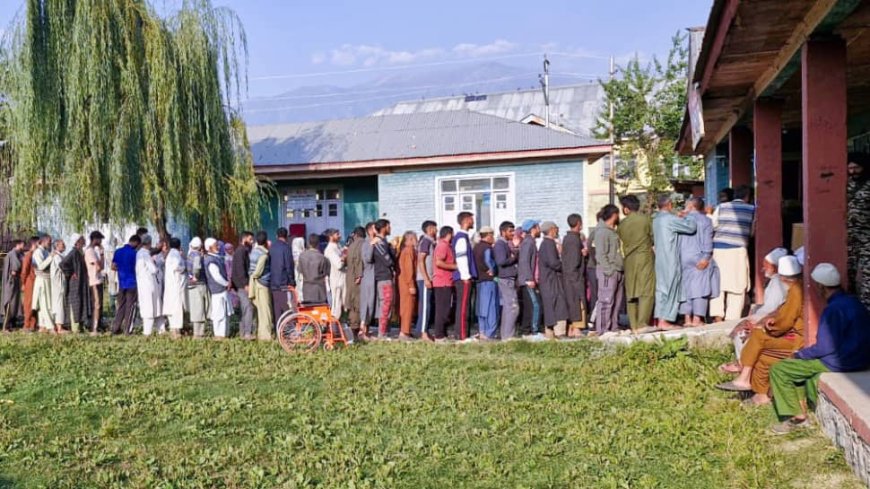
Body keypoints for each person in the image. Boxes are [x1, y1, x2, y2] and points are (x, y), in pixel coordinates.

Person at [769, 263, 870, 434]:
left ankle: (796, 417)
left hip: (842, 361)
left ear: (821, 287)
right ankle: (801, 408)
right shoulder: (853, 302)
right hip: (861, 359)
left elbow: (825, 347)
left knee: (780, 369)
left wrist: (799, 354)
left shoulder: (833, 310)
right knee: (801, 371)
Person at [716, 255, 803, 405]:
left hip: (797, 339)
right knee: (763, 356)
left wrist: (769, 328)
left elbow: (786, 321)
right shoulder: (796, 288)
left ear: (782, 277)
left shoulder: (796, 289)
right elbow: (783, 312)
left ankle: (743, 373)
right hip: (793, 335)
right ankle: (761, 394)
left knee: (757, 336)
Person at [721, 247, 790, 372]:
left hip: (774, 320)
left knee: (742, 332)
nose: (764, 269)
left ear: (775, 267)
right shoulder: (777, 281)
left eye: (767, 266)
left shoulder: (778, 283)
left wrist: (754, 320)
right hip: (770, 316)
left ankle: (744, 365)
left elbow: (771, 308)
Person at [710, 184, 756, 321]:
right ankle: (732, 318)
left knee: (718, 283)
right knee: (737, 285)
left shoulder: (721, 207)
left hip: (718, 249)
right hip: (738, 250)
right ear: (748, 197)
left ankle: (717, 315)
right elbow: (753, 232)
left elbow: (713, 226)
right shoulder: (752, 209)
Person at [678, 197, 719, 327]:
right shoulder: (705, 220)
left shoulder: (681, 220)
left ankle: (687, 319)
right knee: (700, 288)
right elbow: (707, 240)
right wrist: (706, 257)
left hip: (683, 257)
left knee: (686, 288)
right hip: (699, 256)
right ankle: (697, 319)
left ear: (690, 206)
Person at [617, 195, 655, 332]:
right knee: (646, 291)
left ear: (626, 209)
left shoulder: (621, 225)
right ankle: (642, 323)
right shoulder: (646, 220)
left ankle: (633, 325)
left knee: (631, 293)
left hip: (628, 260)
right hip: (644, 257)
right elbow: (653, 237)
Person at [594, 205, 623, 336]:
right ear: (614, 215)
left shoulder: (611, 231)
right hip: (609, 271)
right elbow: (600, 254)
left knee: (616, 302)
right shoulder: (602, 232)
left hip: (618, 270)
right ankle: (603, 329)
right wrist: (609, 270)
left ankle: (613, 326)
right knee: (606, 300)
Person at [846, 152, 870, 309]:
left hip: (867, 237)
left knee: (867, 276)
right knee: (848, 273)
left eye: (857, 167)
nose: (853, 171)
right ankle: (851, 306)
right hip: (849, 237)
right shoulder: (846, 184)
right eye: (850, 168)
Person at [538, 221, 569, 337]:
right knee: (559, 305)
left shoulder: (543, 243)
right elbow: (553, 263)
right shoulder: (549, 243)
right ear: (551, 230)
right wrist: (563, 264)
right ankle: (560, 332)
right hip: (552, 281)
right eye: (556, 228)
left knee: (549, 307)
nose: (557, 230)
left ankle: (549, 332)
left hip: (547, 281)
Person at [452, 212, 478, 340]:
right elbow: (461, 258)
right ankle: (462, 335)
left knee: (466, 306)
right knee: (463, 307)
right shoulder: (461, 237)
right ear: (466, 220)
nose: (473, 221)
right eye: (471, 219)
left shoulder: (464, 237)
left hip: (464, 277)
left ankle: (464, 334)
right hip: (464, 278)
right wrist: (466, 276)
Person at [561, 214, 587, 337]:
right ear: (578, 223)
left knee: (572, 301)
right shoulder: (574, 240)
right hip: (574, 277)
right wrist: (582, 256)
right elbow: (574, 261)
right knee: (578, 301)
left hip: (569, 276)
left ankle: (571, 328)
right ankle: (577, 328)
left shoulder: (567, 238)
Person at [494, 221, 519, 340]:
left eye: (513, 231)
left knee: (509, 307)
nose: (513, 233)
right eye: (510, 231)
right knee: (512, 307)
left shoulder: (505, 244)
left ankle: (506, 335)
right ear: (503, 232)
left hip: (509, 278)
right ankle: (508, 336)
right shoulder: (500, 244)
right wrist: (513, 257)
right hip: (506, 278)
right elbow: (501, 261)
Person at [518, 219, 543, 339]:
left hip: (529, 279)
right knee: (535, 305)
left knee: (529, 306)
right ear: (533, 229)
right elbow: (524, 261)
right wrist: (529, 278)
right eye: (538, 227)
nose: (540, 229)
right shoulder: (528, 243)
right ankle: (534, 331)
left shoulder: (530, 242)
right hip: (527, 280)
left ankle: (526, 330)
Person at [111, 235, 140, 334]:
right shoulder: (135, 253)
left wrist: (122, 269)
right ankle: (127, 329)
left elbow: (113, 267)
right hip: (132, 282)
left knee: (121, 306)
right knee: (130, 306)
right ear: (136, 243)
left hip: (122, 282)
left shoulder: (118, 251)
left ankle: (115, 327)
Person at [473, 226, 498, 340]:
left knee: (481, 308)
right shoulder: (487, 248)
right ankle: (489, 333)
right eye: (492, 235)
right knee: (491, 307)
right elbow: (488, 260)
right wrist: (492, 269)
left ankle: (482, 330)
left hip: (479, 280)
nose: (493, 237)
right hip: (488, 280)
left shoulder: (476, 247)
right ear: (488, 235)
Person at [432, 226, 456, 341]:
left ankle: (443, 333)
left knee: (446, 309)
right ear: (449, 234)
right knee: (442, 310)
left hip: (447, 282)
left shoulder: (446, 246)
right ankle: (439, 335)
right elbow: (438, 262)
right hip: (442, 282)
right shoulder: (442, 246)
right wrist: (454, 267)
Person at [61, 234, 90, 333]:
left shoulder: (79, 252)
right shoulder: (73, 252)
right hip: (75, 283)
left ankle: (81, 325)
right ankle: (75, 327)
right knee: (75, 303)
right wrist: (71, 273)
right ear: (77, 242)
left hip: (81, 282)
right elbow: (63, 264)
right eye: (82, 239)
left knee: (81, 302)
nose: (84, 240)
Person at [372, 219, 396, 339]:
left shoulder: (384, 242)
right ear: (384, 228)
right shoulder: (378, 243)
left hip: (387, 277)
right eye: (388, 226)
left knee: (388, 304)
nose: (390, 228)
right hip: (383, 277)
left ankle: (385, 331)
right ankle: (382, 333)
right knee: (385, 304)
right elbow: (388, 261)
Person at [203, 238, 230, 339]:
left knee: (224, 313)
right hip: (217, 290)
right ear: (210, 248)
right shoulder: (210, 260)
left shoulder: (216, 258)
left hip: (222, 290)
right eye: (216, 245)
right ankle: (219, 335)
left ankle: (224, 334)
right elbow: (217, 276)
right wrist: (227, 283)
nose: (218, 247)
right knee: (219, 314)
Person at [135, 235, 162, 336]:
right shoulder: (145, 254)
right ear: (149, 243)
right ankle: (148, 332)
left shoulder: (139, 253)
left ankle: (154, 330)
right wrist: (157, 266)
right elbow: (153, 269)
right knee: (150, 308)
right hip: (149, 284)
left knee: (148, 307)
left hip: (143, 284)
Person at [415, 220, 437, 341]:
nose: (436, 230)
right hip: (424, 279)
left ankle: (422, 330)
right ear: (429, 229)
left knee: (427, 305)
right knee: (425, 306)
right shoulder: (426, 241)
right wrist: (426, 278)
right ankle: (423, 333)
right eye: (435, 228)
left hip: (428, 278)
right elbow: (420, 260)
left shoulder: (431, 242)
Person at [249, 231, 273, 341]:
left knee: (260, 311)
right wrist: (254, 276)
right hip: (262, 284)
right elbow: (258, 271)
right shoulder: (263, 254)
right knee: (266, 311)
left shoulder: (253, 251)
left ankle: (260, 334)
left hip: (256, 284)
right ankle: (266, 335)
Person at [232, 231, 255, 339]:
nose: (252, 242)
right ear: (244, 239)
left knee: (244, 308)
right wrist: (246, 284)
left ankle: (242, 332)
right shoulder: (241, 251)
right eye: (250, 239)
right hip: (242, 285)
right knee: (248, 307)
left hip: (240, 284)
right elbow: (240, 269)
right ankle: (247, 333)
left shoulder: (241, 251)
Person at [162, 237, 187, 338]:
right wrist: (184, 268)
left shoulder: (170, 254)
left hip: (171, 284)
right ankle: (176, 330)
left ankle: (174, 328)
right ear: (179, 245)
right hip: (176, 284)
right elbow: (177, 267)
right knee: (176, 307)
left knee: (172, 306)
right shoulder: (175, 254)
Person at [270, 228, 296, 322]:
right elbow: (289, 266)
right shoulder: (286, 248)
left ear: (277, 236)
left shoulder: (272, 247)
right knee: (286, 306)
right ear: (287, 236)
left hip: (273, 281)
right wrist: (292, 281)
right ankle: (288, 329)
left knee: (276, 306)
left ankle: (278, 328)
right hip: (284, 282)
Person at [186, 237, 209, 338]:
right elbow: (197, 267)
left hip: (192, 285)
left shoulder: (190, 254)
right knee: (200, 308)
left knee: (197, 308)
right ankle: (198, 333)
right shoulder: (197, 255)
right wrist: (196, 276)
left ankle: (199, 332)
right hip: (199, 284)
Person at [345, 227, 366, 338]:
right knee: (357, 303)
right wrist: (359, 275)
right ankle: (356, 328)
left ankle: (354, 326)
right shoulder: (362, 244)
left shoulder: (351, 245)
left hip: (350, 277)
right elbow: (358, 260)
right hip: (357, 278)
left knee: (353, 303)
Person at [298, 233, 330, 304]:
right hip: (319, 290)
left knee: (308, 312)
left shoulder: (302, 256)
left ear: (309, 243)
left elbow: (300, 271)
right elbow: (326, 273)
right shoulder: (322, 258)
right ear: (318, 244)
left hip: (306, 289)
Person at [397, 231, 418, 340]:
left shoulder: (406, 250)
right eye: (415, 238)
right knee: (407, 307)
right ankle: (404, 331)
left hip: (404, 282)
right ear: (409, 240)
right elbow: (409, 269)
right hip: (406, 283)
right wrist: (411, 284)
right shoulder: (408, 250)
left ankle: (406, 330)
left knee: (407, 306)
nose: (417, 240)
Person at [32, 235, 54, 333]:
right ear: (44, 241)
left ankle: (42, 325)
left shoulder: (45, 251)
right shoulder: (38, 252)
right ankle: (50, 326)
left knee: (45, 303)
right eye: (49, 241)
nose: (50, 243)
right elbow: (41, 266)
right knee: (44, 303)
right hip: (41, 279)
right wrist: (51, 258)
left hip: (47, 279)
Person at [84, 231, 105, 334]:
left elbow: (102, 266)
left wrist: (102, 254)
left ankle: (98, 326)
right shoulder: (89, 251)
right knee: (96, 304)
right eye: (99, 239)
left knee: (99, 304)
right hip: (94, 281)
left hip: (98, 280)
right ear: (95, 239)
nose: (101, 241)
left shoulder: (94, 251)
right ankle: (94, 328)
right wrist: (100, 262)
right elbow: (98, 267)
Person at [359, 222, 377, 339]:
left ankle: (367, 329)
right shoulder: (366, 243)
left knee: (371, 303)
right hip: (368, 276)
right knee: (367, 303)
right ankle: (362, 331)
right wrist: (372, 244)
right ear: (370, 231)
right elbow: (368, 259)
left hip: (373, 276)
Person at [1, 240, 25, 331]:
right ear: (18, 244)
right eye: (23, 244)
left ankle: (11, 324)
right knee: (9, 303)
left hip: (14, 282)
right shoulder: (13, 254)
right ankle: (5, 326)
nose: (24, 245)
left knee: (14, 303)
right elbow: (17, 266)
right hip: (10, 282)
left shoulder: (17, 253)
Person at [586, 211, 603, 327]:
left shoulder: (595, 232)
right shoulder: (597, 233)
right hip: (595, 267)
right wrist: (599, 263)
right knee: (597, 295)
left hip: (594, 267)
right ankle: (594, 320)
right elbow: (592, 250)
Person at [323, 229, 346, 319]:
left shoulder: (338, 246)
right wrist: (345, 256)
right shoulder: (330, 249)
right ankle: (334, 329)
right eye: (337, 234)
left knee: (343, 306)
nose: (339, 235)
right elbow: (339, 264)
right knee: (336, 306)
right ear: (330, 237)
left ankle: (340, 328)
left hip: (342, 280)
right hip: (336, 281)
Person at [20, 237, 39, 332]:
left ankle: (33, 324)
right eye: (38, 243)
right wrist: (23, 283)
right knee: (29, 303)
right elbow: (24, 271)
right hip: (29, 281)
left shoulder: (36, 255)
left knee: (35, 302)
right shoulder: (28, 256)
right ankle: (26, 324)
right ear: (34, 244)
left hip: (36, 281)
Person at [49, 239, 67, 333]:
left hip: (59, 282)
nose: (64, 245)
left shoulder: (60, 256)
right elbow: (63, 267)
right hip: (58, 283)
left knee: (60, 303)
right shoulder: (57, 257)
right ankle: (59, 327)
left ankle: (60, 325)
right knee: (59, 304)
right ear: (57, 246)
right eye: (62, 244)